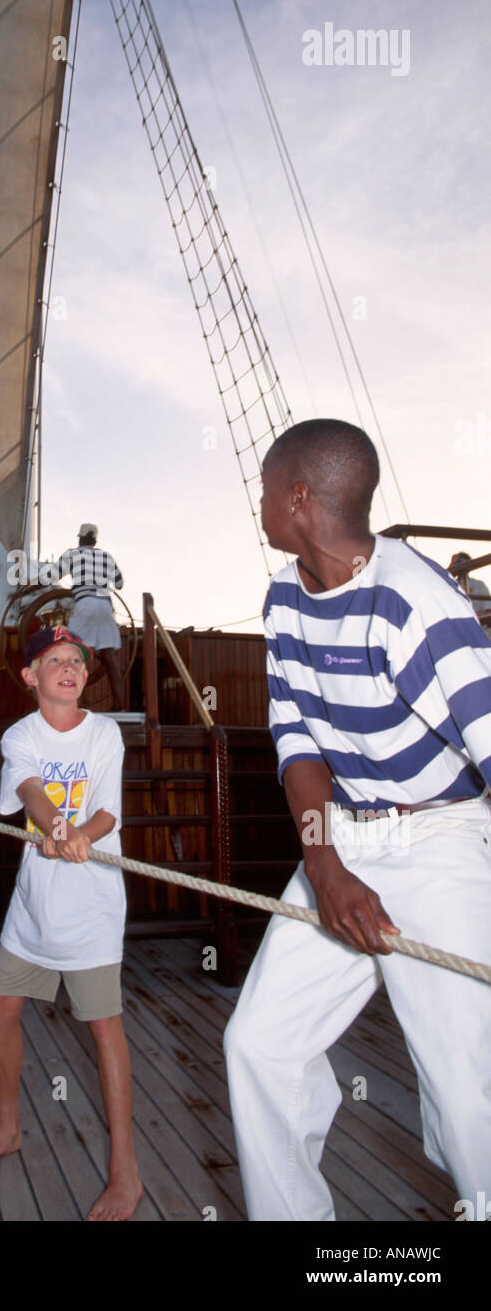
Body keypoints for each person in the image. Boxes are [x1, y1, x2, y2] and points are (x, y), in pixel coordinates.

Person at [223, 419, 491, 1221]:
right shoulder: (282, 598)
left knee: (464, 1087)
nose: (260, 505)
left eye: (268, 489)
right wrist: (326, 865)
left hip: (439, 839)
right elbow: (296, 738)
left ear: (299, 496)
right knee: (260, 1046)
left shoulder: (417, 605)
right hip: (341, 838)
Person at [0, 624, 142, 1221]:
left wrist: (81, 834)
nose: (69, 667)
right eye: (54, 660)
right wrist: (57, 827)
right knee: (3, 1005)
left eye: (78, 661)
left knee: (104, 1026)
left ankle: (125, 1170)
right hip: (34, 906)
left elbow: (109, 811)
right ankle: (8, 1128)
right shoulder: (20, 735)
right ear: (31, 677)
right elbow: (32, 791)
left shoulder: (105, 733)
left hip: (91, 910)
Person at [51, 523, 125, 710]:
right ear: (95, 540)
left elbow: (51, 576)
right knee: (109, 657)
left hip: (84, 603)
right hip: (105, 605)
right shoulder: (106, 556)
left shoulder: (72, 554)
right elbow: (119, 583)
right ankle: (119, 705)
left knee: (75, 656)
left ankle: (77, 704)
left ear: (80, 538)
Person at [448, 550, 491, 620]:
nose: (453, 565)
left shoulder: (478, 584)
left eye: (457, 562)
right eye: (452, 562)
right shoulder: (449, 586)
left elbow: (488, 609)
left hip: (477, 623)